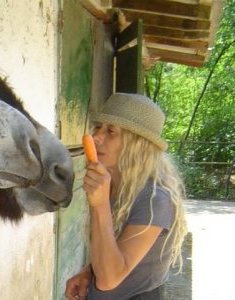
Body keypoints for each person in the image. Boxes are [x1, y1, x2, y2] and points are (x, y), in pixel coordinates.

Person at [65, 93, 187, 300]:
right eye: (98, 127)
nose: (96, 137)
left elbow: (108, 279)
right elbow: (118, 249)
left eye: (111, 131)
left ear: (137, 144)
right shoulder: (120, 187)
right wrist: (89, 271)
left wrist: (100, 205)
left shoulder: (155, 201)